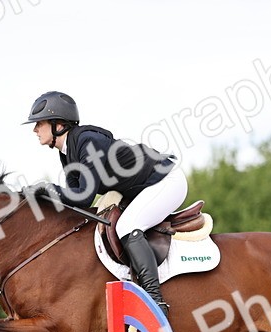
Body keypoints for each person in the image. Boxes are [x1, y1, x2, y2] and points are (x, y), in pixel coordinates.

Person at [23, 90, 187, 313]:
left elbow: (83, 196)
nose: (34, 129)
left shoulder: (87, 142)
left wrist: (49, 189)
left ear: (58, 124)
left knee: (127, 226)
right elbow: (74, 200)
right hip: (142, 188)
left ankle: (155, 301)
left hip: (166, 181)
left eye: (39, 123)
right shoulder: (67, 151)